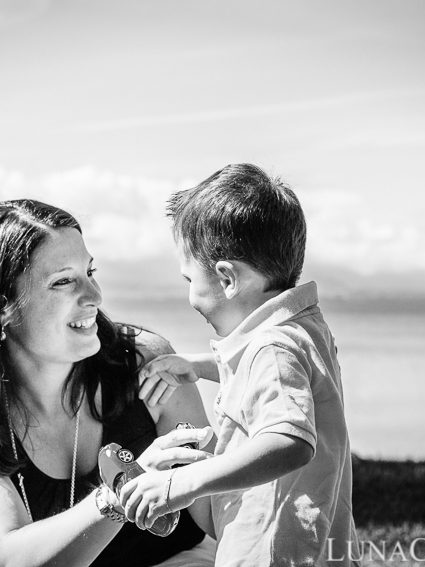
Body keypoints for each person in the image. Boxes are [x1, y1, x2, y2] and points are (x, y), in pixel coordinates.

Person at [0, 199, 217, 567]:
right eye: (63, 281)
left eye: (90, 272)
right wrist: (122, 492)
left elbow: (222, 515)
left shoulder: (146, 364)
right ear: (1, 306)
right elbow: (9, 558)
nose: (95, 297)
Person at [119, 164, 362, 566]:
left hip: (275, 551)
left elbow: (289, 442)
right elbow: (278, 382)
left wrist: (185, 482)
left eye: (188, 280)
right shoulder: (300, 329)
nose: (191, 296)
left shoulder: (272, 347)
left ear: (228, 280)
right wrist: (198, 367)